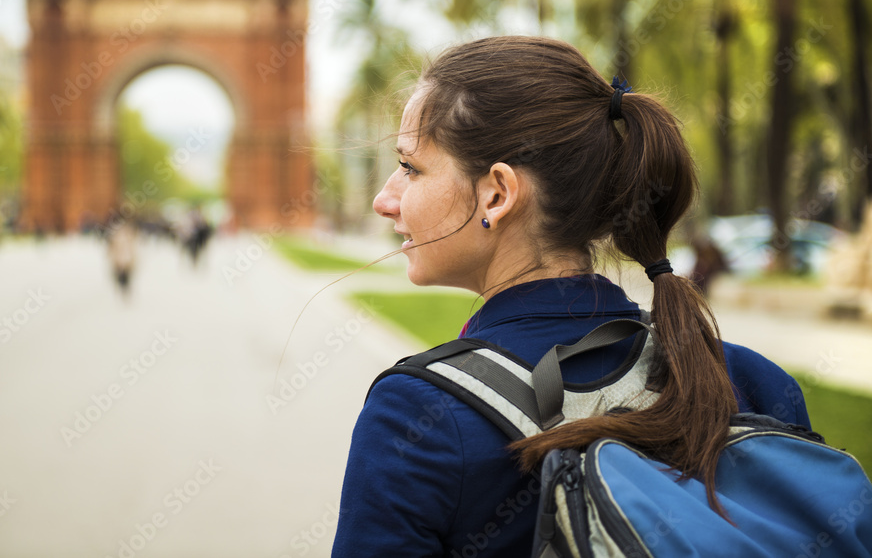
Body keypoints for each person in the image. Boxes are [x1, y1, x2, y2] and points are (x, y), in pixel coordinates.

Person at [331, 36, 810, 557]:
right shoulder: (751, 382)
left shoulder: (415, 418)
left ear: (497, 193)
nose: (384, 199)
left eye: (410, 168)